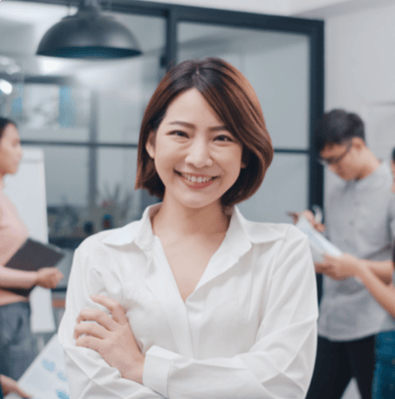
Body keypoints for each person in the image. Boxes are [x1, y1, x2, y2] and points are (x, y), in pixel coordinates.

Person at [59, 57, 319, 399]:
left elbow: (281, 383)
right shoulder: (100, 255)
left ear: (244, 153)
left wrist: (142, 368)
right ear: (152, 142)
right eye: (180, 133)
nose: (198, 158)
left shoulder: (283, 251)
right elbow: (91, 387)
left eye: (222, 138)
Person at [303, 110, 395, 399]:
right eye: (326, 162)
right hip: (332, 319)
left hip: (372, 322)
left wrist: (355, 267)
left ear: (357, 145)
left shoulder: (394, 188)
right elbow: (340, 248)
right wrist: (316, 235)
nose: (332, 169)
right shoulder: (336, 191)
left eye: (335, 159)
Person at [0, 117, 64, 380]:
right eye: (14, 144)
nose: (20, 152)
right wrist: (35, 277)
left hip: (17, 312)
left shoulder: (5, 199)